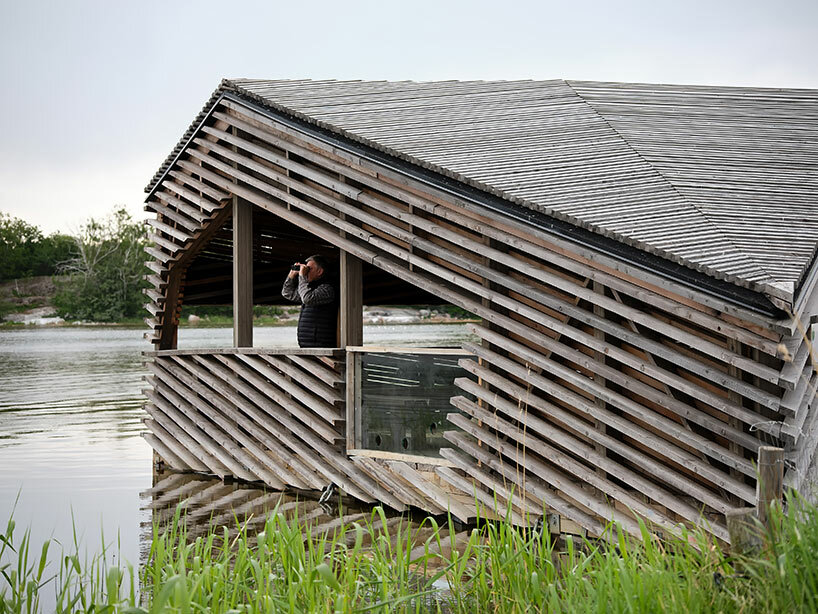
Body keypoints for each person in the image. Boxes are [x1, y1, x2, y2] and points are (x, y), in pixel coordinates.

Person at [281, 254, 338, 348]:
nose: (306, 271)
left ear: (319, 271)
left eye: (309, 269)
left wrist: (302, 276)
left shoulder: (327, 289)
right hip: (308, 344)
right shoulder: (308, 289)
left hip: (321, 344)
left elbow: (307, 298)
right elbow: (287, 293)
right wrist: (291, 275)